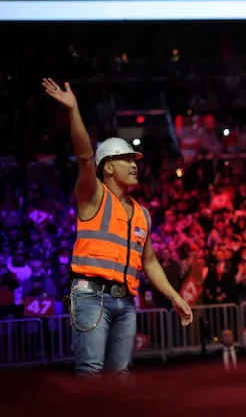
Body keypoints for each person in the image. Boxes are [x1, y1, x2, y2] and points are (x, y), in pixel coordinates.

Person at [42, 78, 193, 377]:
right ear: (108, 167)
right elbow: (85, 156)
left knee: (119, 376)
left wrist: (175, 296)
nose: (135, 164)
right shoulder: (93, 195)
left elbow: (149, 262)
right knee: (90, 372)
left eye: (135, 159)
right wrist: (74, 111)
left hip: (127, 301)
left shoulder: (143, 214)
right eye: (126, 159)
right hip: (91, 297)